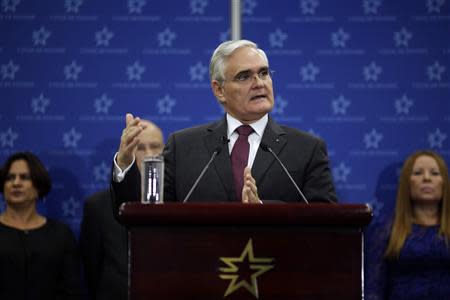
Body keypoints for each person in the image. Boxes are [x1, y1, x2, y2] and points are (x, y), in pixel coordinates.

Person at [111, 39, 337, 206]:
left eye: (264, 73)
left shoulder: (307, 149)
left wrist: (264, 211)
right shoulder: (183, 146)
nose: (259, 83)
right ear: (219, 90)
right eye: (244, 76)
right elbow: (146, 219)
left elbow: (326, 225)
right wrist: (124, 163)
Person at [79, 120, 164, 300]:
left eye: (155, 146)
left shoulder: (179, 198)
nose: (149, 154)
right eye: (140, 148)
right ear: (129, 151)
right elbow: (92, 268)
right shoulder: (97, 206)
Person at [364, 150, 450, 300]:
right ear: (406, 183)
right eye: (418, 173)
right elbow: (373, 288)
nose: (427, 178)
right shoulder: (383, 229)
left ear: (444, 183)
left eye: (435, 173)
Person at [0, 151, 83, 300]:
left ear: (38, 186)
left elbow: (72, 290)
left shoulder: (61, 235)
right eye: (9, 178)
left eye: (24, 177)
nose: (16, 183)